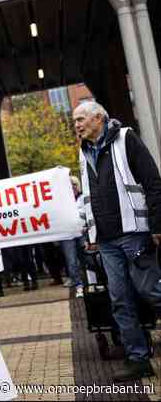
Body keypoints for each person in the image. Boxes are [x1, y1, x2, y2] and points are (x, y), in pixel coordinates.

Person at [75, 101, 161, 381]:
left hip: (135, 232)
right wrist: (91, 234)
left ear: (99, 117)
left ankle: (139, 356)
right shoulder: (84, 151)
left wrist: (157, 225)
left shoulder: (126, 138)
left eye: (80, 119)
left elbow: (153, 183)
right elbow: (88, 195)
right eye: (74, 120)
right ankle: (138, 359)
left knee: (151, 291)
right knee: (120, 300)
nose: (76, 124)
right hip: (107, 241)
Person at [58, 175, 86, 298]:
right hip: (68, 235)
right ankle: (79, 286)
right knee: (72, 261)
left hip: (83, 232)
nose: (72, 186)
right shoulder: (60, 200)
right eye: (69, 184)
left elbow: (87, 212)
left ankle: (90, 282)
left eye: (74, 184)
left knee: (88, 259)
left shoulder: (83, 197)